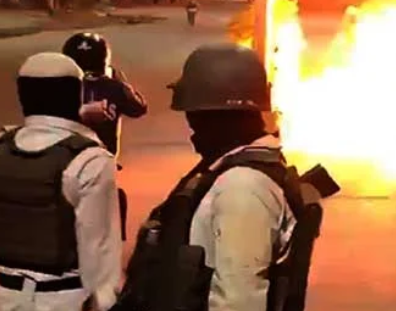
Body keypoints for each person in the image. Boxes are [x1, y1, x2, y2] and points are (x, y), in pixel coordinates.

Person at [120, 42, 325, 311]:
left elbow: (239, 299)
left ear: (212, 115)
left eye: (194, 114)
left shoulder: (243, 187)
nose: (191, 125)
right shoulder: (231, 173)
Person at [0, 52, 121, 311]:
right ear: (77, 95)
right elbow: (99, 251)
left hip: (4, 297)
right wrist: (106, 301)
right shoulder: (90, 160)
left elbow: (41, 129)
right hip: (64, 299)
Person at [62, 32, 147, 241]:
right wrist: (120, 80)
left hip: (62, 163)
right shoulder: (114, 87)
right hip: (101, 164)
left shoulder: (58, 87)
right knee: (108, 221)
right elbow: (139, 108)